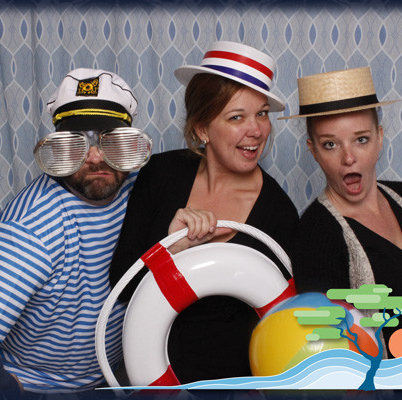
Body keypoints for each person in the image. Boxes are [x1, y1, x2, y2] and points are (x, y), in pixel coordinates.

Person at [0, 68, 152, 396]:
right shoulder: (35, 227)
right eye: (78, 141)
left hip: (112, 379)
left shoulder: (137, 185)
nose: (95, 157)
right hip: (42, 388)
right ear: (58, 147)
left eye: (109, 138)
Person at [109, 41, 299, 383]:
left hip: (238, 384)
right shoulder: (161, 175)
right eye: (236, 117)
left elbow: (286, 326)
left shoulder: (279, 213)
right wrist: (173, 249)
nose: (256, 130)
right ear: (201, 129)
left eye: (262, 113)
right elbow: (121, 285)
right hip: (151, 374)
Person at [281, 66, 402, 354]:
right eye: (330, 144)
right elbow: (330, 348)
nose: (348, 158)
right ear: (313, 151)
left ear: (379, 138)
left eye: (361, 139)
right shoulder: (314, 236)